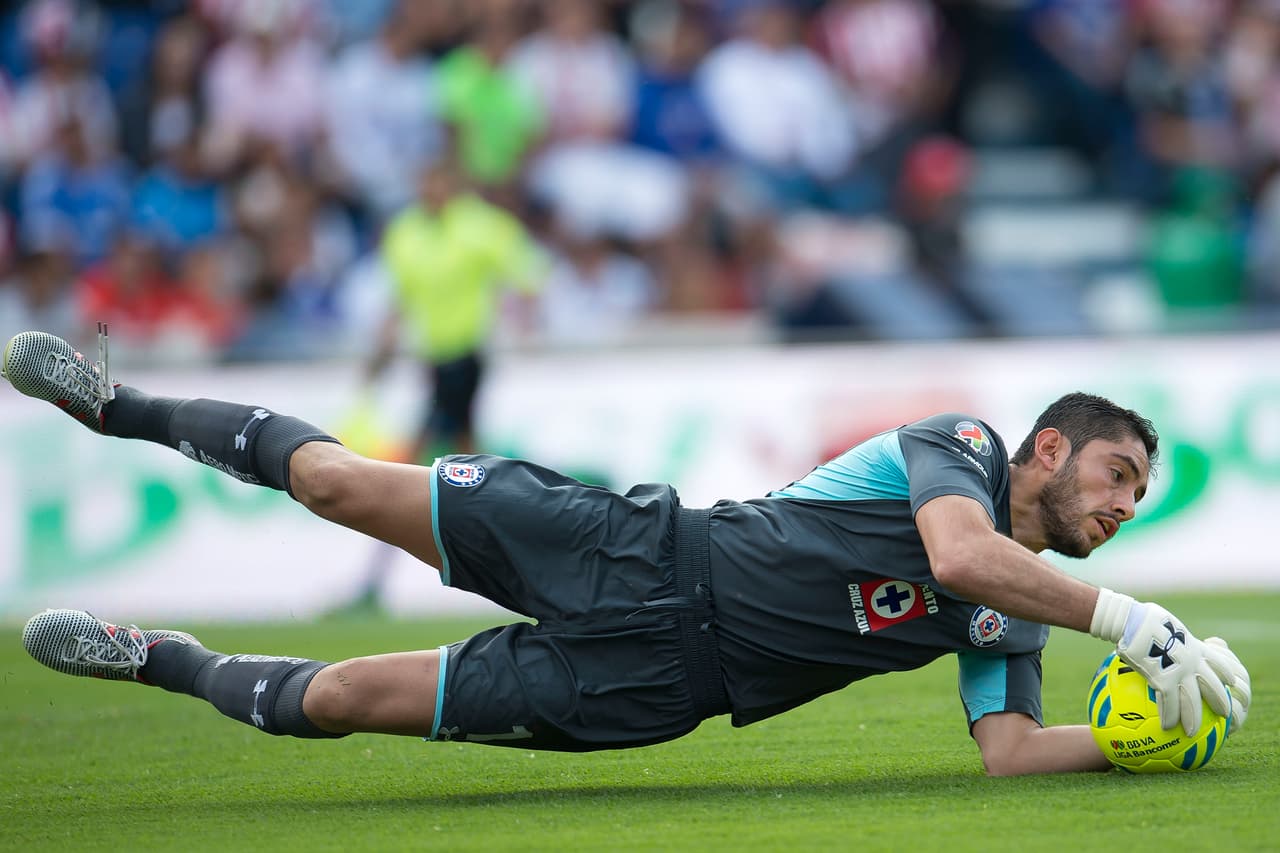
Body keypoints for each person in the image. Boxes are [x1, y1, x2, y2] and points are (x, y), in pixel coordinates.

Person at [3, 328, 1251, 775]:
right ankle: (115, 405)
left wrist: (1140, 741)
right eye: (1117, 476)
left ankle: (160, 659)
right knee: (334, 481)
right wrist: (1123, 615)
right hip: (639, 551)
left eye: (1138, 498)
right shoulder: (962, 446)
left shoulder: (1016, 622)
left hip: (659, 691)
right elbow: (961, 556)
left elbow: (1007, 754)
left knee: (336, 698)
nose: (1122, 505)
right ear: (1046, 449)